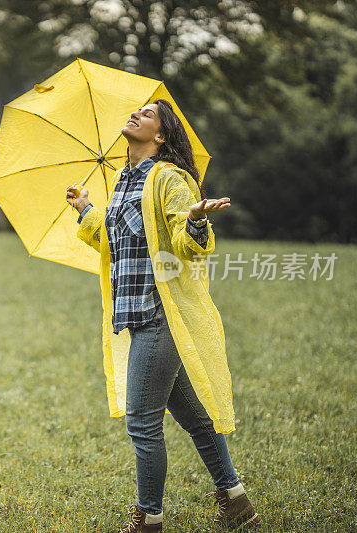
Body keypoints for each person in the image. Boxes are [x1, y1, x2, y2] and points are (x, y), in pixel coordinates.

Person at [65, 99, 261, 532]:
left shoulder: (169, 179)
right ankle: (236, 500)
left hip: (161, 318)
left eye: (147, 114)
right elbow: (117, 243)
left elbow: (184, 245)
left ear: (160, 136)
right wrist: (84, 208)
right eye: (134, 110)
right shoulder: (120, 179)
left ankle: (148, 520)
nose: (135, 114)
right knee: (193, 418)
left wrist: (194, 220)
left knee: (141, 423)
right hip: (135, 317)